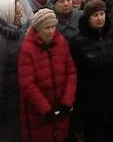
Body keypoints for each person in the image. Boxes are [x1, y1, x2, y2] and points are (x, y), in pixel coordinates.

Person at [16, 8, 77, 142]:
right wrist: (46, 109)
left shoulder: (61, 42)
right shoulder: (27, 49)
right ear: (38, 29)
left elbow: (71, 72)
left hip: (61, 108)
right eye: (46, 28)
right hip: (38, 114)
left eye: (53, 27)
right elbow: (27, 84)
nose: (51, 31)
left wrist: (67, 102)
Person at [69, 1, 113, 142]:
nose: (99, 18)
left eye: (101, 14)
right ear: (88, 18)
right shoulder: (78, 41)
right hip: (90, 99)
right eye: (95, 15)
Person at [0, 0, 28, 142]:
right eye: (17, 12)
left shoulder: (16, 32)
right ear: (7, 14)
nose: (21, 14)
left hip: (15, 93)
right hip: (6, 98)